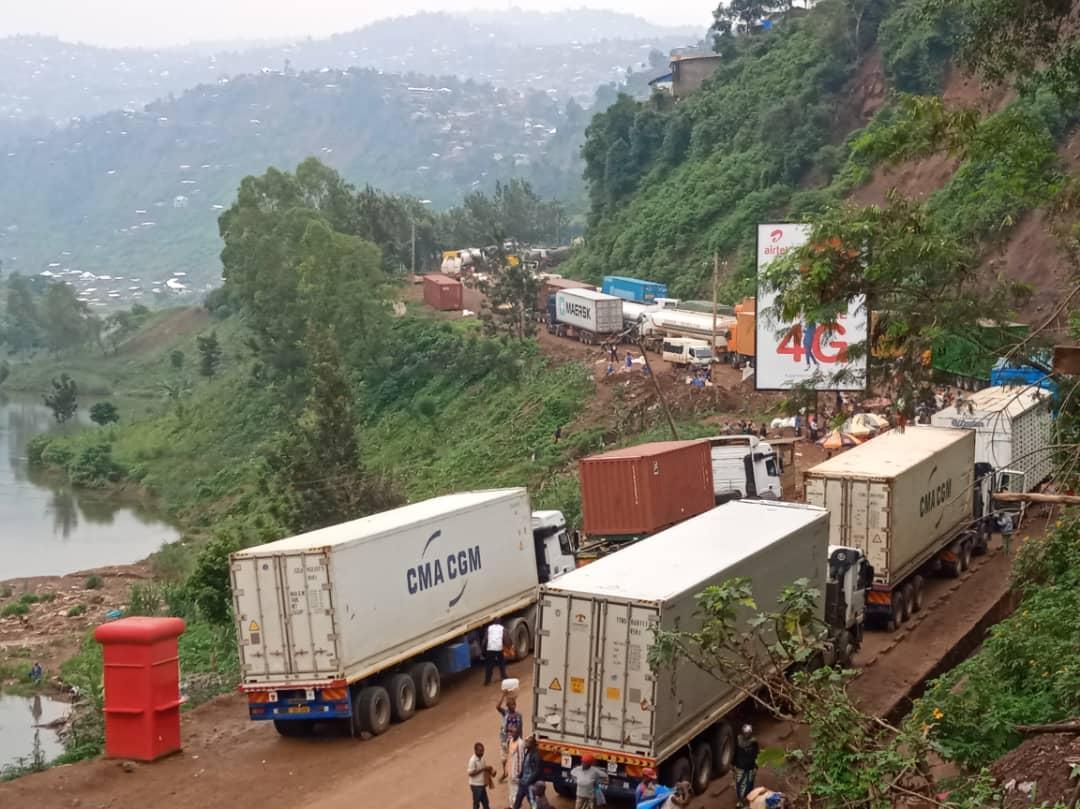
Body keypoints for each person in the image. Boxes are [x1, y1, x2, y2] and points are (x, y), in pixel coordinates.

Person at [733, 724, 760, 809]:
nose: (746, 734)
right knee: (740, 783)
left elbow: (756, 754)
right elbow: (735, 752)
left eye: (748, 733)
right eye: (745, 733)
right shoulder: (738, 740)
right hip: (740, 766)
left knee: (749, 783)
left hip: (750, 766)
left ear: (750, 733)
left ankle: (748, 798)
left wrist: (756, 766)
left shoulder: (754, 742)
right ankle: (741, 800)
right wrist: (733, 764)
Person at [497, 692, 523, 781]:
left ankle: (514, 773)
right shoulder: (505, 713)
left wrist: (520, 740)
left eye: (514, 704)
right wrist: (503, 695)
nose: (513, 706)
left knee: (514, 757)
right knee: (503, 758)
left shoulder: (518, 716)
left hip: (514, 740)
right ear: (507, 706)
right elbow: (497, 707)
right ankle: (505, 772)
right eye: (511, 705)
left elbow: (520, 728)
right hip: (505, 739)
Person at [512, 735, 541, 809]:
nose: (525, 744)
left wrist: (529, 781)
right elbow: (525, 766)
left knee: (532, 803)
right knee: (517, 802)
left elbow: (536, 771)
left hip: (529, 784)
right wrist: (520, 775)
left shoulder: (535, 755)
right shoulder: (528, 752)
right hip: (523, 782)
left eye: (527, 742)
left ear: (532, 744)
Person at [468, 742, 495, 809]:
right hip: (475, 785)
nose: (482, 752)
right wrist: (483, 769)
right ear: (475, 750)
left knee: (486, 803)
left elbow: (484, 769)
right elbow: (470, 773)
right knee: (476, 804)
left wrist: (490, 770)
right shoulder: (472, 760)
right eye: (480, 751)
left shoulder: (482, 758)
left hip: (481, 785)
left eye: (483, 751)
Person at [483, 621, 508, 685]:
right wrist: (508, 646)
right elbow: (505, 638)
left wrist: (483, 648)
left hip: (490, 648)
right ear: (500, 622)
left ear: (493, 622)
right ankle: (504, 676)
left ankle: (487, 681)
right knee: (501, 662)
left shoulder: (489, 628)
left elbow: (485, 639)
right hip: (499, 648)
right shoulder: (502, 628)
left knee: (489, 665)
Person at [506, 727, 524, 809]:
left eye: (514, 732)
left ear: (518, 733)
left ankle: (516, 806)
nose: (512, 734)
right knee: (511, 789)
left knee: (516, 790)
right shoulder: (510, 741)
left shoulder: (520, 743)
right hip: (510, 770)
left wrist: (519, 772)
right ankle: (511, 805)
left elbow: (521, 758)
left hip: (516, 771)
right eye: (512, 732)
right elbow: (509, 755)